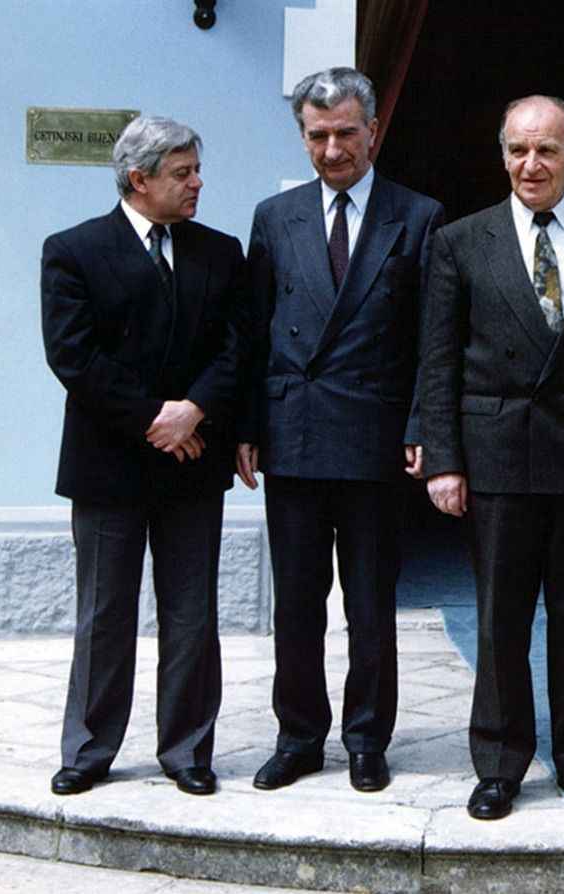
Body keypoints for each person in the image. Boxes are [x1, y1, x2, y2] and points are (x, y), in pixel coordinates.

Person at [418, 94, 564, 820]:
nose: (532, 164)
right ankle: (499, 764)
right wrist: (444, 461)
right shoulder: (461, 242)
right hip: (498, 459)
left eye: (547, 149)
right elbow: (438, 361)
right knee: (501, 621)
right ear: (502, 156)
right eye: (518, 150)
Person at [237, 67, 444, 793]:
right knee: (297, 605)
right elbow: (253, 331)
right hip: (293, 434)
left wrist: (421, 424)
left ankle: (366, 739)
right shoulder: (276, 217)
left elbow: (431, 337)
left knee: (370, 604)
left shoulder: (417, 216)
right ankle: (298, 737)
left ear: (373, 131)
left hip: (374, 437)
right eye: (317, 136)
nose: (332, 150)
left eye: (346, 134)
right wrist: (247, 425)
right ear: (302, 135)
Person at [41, 115, 245, 796]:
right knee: (104, 614)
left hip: (194, 461)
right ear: (139, 179)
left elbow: (238, 346)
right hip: (109, 466)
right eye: (183, 173)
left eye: (196, 170)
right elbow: (73, 356)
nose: (198, 183)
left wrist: (195, 410)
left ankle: (187, 750)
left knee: (192, 615)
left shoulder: (220, 252)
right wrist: (156, 417)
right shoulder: (73, 251)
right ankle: (89, 748)